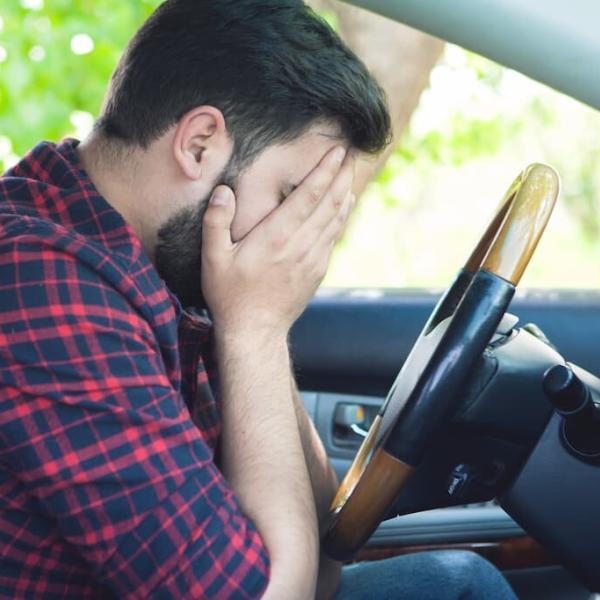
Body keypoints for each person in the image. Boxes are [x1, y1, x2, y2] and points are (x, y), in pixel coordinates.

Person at [0, 0, 517, 598]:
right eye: (290, 194)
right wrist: (258, 326)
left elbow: (326, 539)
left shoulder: (156, 258)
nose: (296, 234)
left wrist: (254, 321)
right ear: (198, 145)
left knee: (459, 583)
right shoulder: (40, 280)